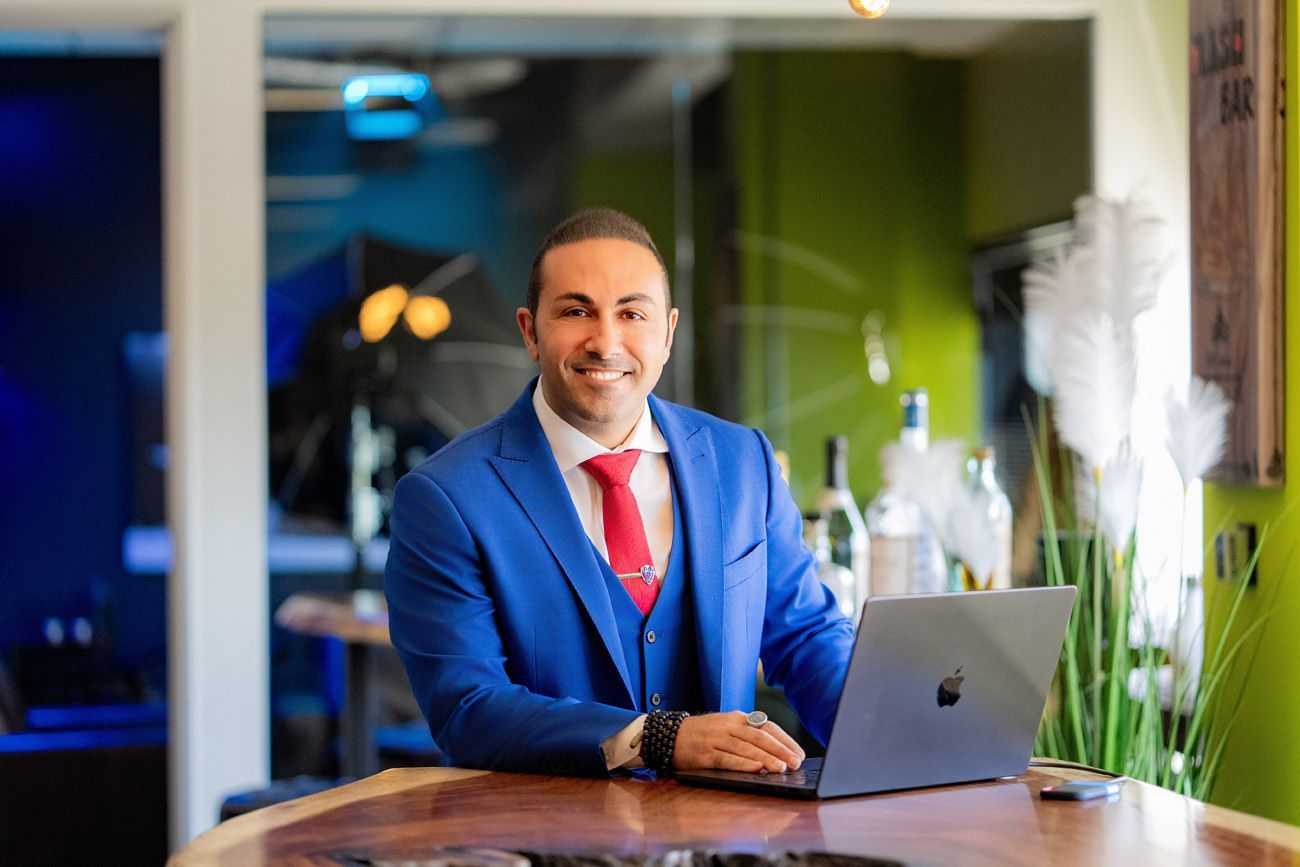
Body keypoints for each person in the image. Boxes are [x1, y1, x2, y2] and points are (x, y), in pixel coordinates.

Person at [385, 207, 854, 778]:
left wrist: (889, 741)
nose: (606, 342)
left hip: (726, 836)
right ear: (531, 332)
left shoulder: (742, 462)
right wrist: (653, 738)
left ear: (668, 333)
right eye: (577, 311)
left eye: (632, 313)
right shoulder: (445, 498)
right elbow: (466, 709)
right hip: (546, 842)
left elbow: (806, 636)